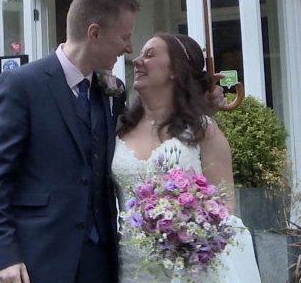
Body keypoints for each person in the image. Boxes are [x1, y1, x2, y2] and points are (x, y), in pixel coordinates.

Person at [0, 0, 140, 283]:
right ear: (94, 33)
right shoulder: (21, 85)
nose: (129, 48)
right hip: (34, 259)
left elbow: (140, 132)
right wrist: (4, 257)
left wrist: (201, 105)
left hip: (98, 263)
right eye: (125, 37)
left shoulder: (113, 92)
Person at [112, 33, 261, 282]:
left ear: (175, 71)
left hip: (188, 269)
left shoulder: (203, 131)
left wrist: (184, 229)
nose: (137, 61)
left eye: (149, 55)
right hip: (130, 267)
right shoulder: (119, 126)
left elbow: (224, 209)